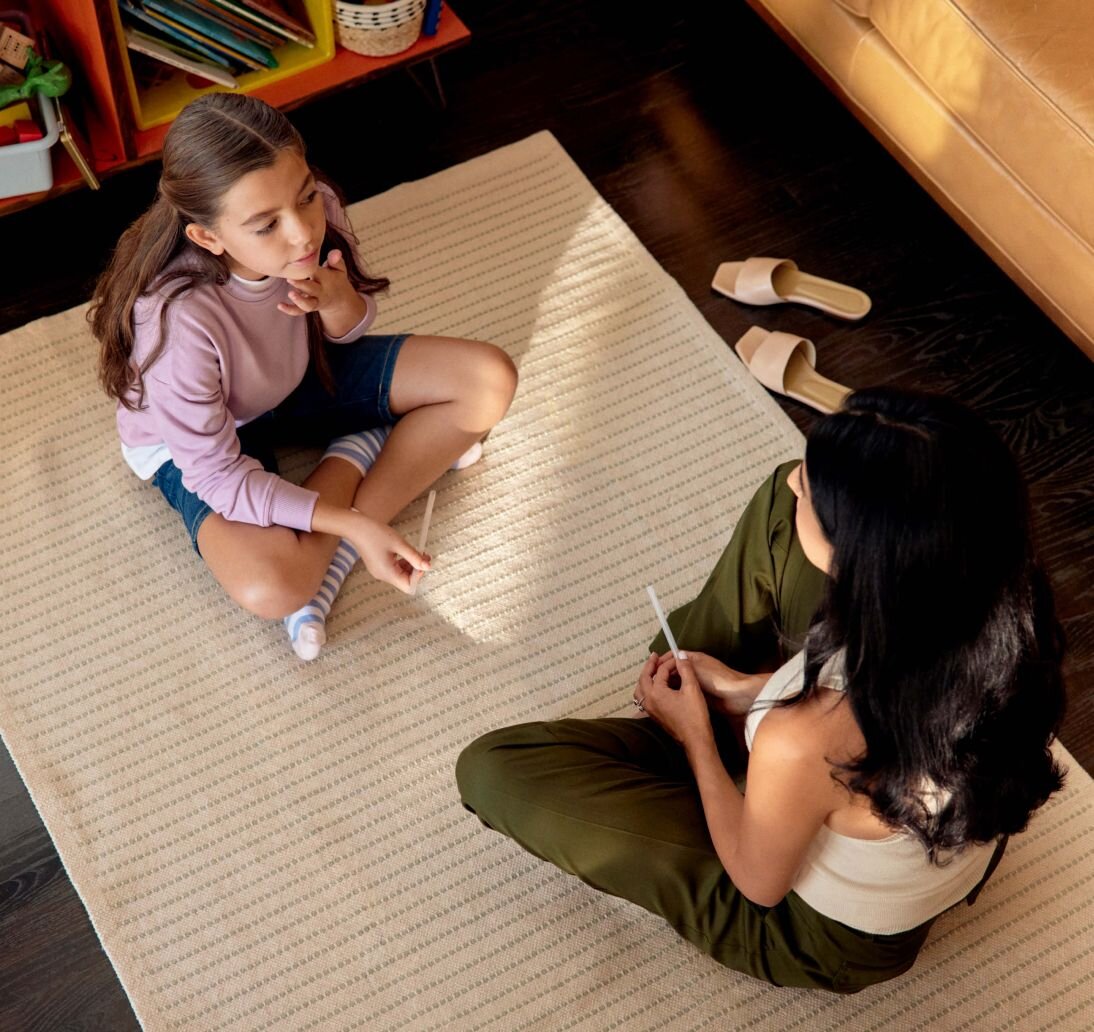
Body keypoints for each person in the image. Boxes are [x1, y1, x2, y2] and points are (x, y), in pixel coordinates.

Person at [456, 387, 1066, 992]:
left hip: (816, 931)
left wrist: (696, 736)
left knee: (493, 770)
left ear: (863, 561)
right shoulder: (1008, 601)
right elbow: (861, 712)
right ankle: (698, 697)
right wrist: (753, 690)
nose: (801, 480)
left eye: (814, 487)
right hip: (897, 814)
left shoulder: (804, 736)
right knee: (779, 501)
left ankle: (691, 722)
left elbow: (757, 880)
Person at [90, 94, 517, 659]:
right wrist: (352, 521)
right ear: (208, 238)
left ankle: (334, 552)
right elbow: (219, 478)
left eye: (307, 196)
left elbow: (349, 330)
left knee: (487, 379)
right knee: (275, 586)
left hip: (291, 380)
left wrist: (339, 303)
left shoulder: (314, 211)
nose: (302, 235)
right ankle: (356, 458)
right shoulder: (177, 319)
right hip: (200, 443)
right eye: (266, 225)